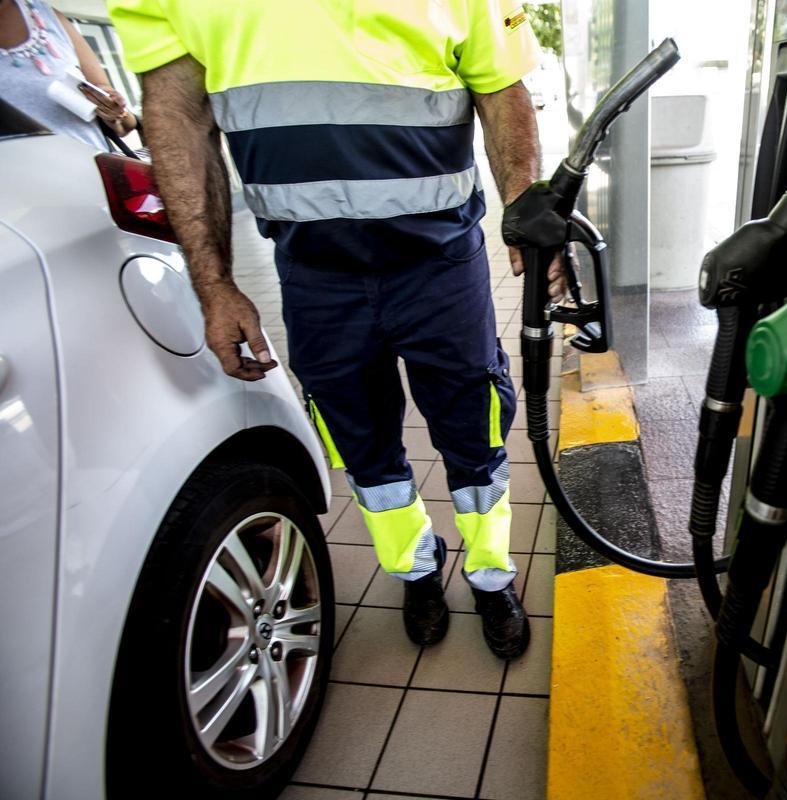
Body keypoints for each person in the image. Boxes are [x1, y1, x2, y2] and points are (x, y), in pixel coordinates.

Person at [107, 1, 563, 660]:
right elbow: (177, 116)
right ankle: (415, 569)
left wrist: (523, 207)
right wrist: (215, 287)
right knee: (361, 445)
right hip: (315, 277)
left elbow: (500, 89)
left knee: (475, 428)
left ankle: (492, 576)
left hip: (441, 264)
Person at [0, 0, 136, 149]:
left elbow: (126, 124)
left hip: (88, 160)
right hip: (15, 163)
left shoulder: (47, 16)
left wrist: (114, 112)